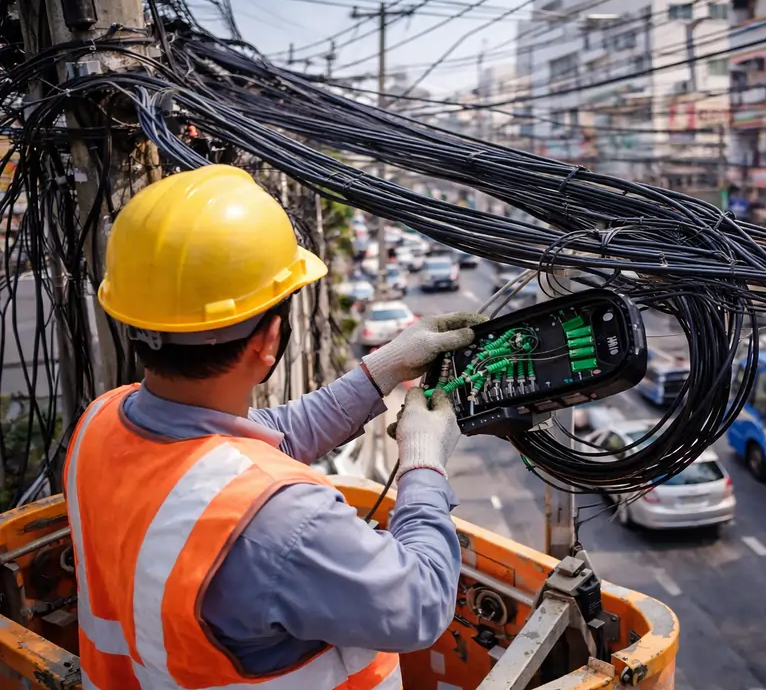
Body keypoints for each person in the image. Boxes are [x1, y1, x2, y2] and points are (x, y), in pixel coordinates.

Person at [64, 164, 484, 689]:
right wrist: (423, 464)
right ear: (268, 342)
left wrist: (382, 370)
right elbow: (419, 605)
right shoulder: (284, 521)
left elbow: (265, 436)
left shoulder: (102, 421)